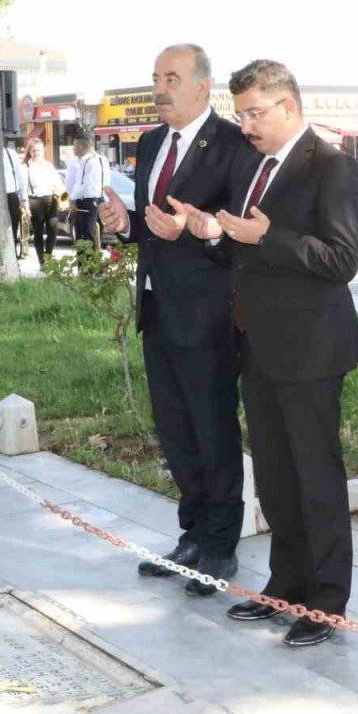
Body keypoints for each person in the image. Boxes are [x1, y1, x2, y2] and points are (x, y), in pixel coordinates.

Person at [176, 59, 358, 647]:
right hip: (257, 344)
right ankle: (286, 585)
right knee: (276, 479)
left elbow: (342, 260)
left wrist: (269, 237)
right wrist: (211, 234)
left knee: (316, 478)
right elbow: (243, 256)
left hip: (311, 347)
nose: (248, 124)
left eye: (255, 113)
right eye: (241, 114)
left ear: (289, 106)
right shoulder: (256, 168)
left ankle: (327, 601)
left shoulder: (332, 167)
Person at [97, 43, 259, 597]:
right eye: (155, 77)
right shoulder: (149, 142)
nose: (160, 89)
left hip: (209, 313)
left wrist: (193, 228)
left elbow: (238, 230)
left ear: (201, 87)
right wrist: (125, 225)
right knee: (176, 431)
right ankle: (191, 536)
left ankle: (220, 546)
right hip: (158, 309)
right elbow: (152, 226)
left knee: (212, 429)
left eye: (171, 77)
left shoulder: (234, 145)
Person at [24, 137, 63, 265]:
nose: (37, 153)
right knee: (38, 232)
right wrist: (26, 207)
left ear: (43, 151)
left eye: (39, 150)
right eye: (34, 151)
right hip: (35, 201)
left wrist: (65, 199)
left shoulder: (48, 165)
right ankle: (42, 261)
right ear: (29, 151)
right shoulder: (26, 167)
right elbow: (23, 189)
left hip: (50, 200)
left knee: (53, 228)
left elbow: (58, 184)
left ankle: (48, 256)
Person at [64, 135, 107, 247]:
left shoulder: (88, 161)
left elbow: (83, 184)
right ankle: (88, 262)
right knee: (88, 235)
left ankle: (86, 263)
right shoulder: (100, 160)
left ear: (80, 147)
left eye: (74, 146)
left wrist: (72, 198)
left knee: (85, 236)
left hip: (87, 200)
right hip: (98, 199)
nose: (73, 149)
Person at [3, 141, 27, 254]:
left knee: (12, 229)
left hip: (11, 195)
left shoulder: (10, 153)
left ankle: (13, 257)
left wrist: (23, 197)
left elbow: (19, 175)